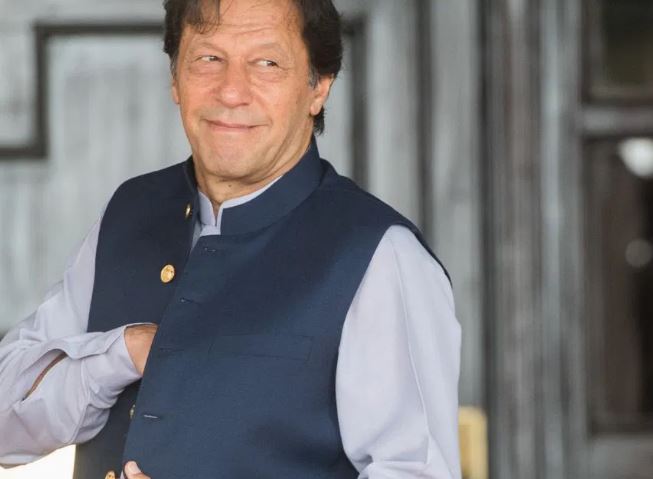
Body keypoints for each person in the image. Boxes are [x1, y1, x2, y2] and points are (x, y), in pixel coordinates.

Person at [0, 0, 462, 478]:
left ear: (318, 86)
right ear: (175, 78)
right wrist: (124, 352)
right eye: (208, 58)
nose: (231, 91)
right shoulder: (130, 211)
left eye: (267, 63)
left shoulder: (379, 253)